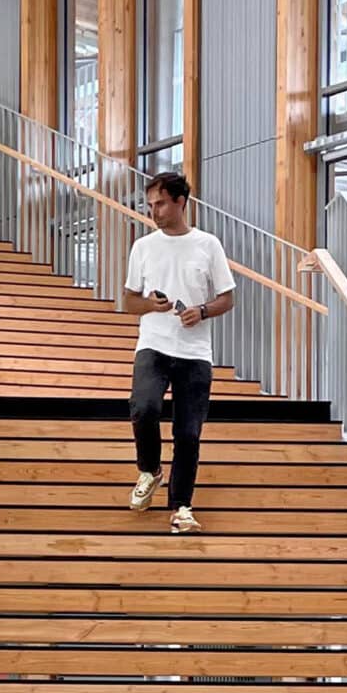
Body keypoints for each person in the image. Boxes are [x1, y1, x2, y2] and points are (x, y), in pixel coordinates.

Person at [123, 170, 236, 535]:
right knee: (144, 408)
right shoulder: (143, 247)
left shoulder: (208, 245)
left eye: (160, 203)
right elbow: (128, 301)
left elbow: (226, 298)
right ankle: (150, 470)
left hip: (195, 352)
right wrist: (149, 305)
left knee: (188, 433)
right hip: (153, 345)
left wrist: (201, 311)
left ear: (180, 203)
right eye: (150, 204)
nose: (153, 211)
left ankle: (181, 507)